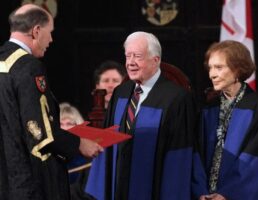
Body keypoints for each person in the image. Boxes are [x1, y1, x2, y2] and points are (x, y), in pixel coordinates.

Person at [86, 31, 207, 199]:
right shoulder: (120, 93)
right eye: (128, 56)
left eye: (138, 56)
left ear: (155, 60)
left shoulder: (176, 99)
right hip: (118, 186)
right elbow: (107, 144)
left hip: (154, 190)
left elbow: (180, 156)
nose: (131, 63)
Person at [0, 4, 102, 200]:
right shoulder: (28, 67)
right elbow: (38, 131)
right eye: (50, 32)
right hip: (27, 182)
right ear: (36, 31)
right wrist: (79, 143)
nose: (51, 39)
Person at [199, 40, 258, 200]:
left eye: (219, 67)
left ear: (237, 70)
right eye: (210, 67)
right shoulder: (207, 109)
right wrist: (199, 190)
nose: (211, 74)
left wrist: (227, 194)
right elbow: (196, 155)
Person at [59, 102, 96, 200]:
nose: (64, 128)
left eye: (69, 124)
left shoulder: (87, 161)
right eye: (60, 124)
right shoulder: (47, 158)